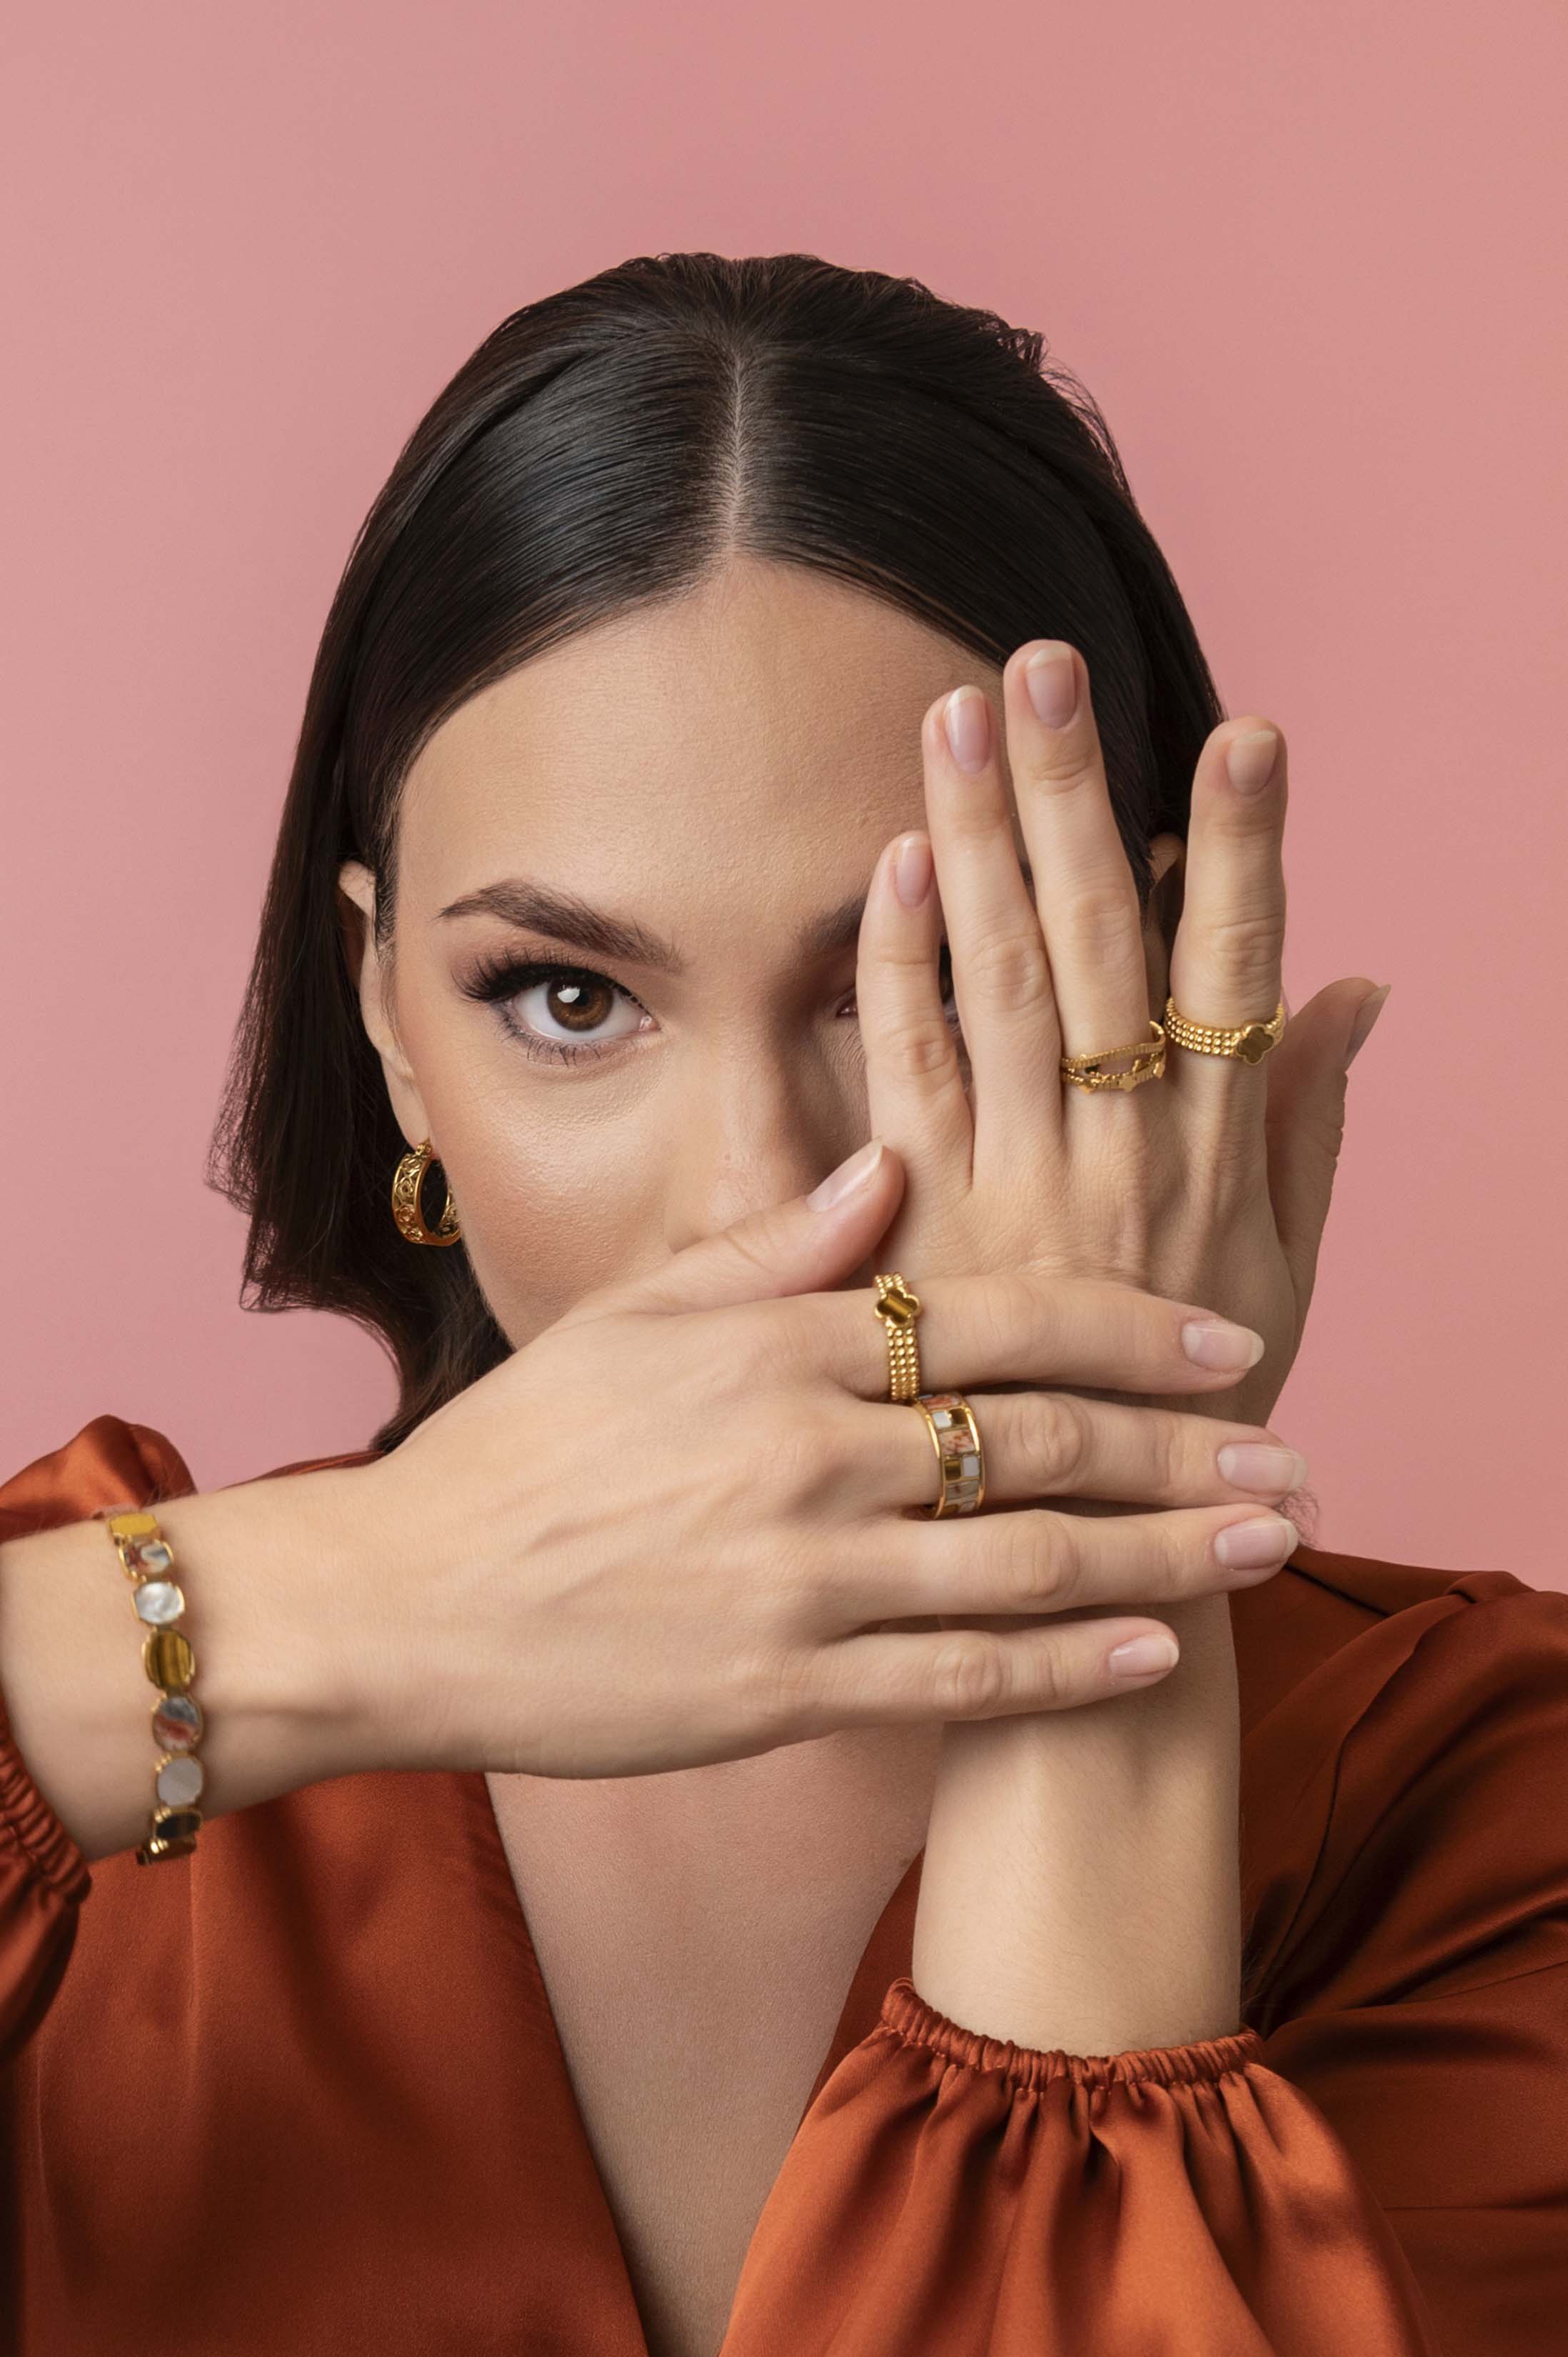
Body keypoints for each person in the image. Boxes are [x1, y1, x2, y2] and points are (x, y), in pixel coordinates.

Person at [0, 252, 1562, 2357]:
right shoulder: (92, 1733)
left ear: (1165, 999)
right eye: (567, 997)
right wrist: (312, 1612)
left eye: (894, 991)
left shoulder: (1484, 1812)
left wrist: (1089, 1669)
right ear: (384, 1016)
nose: (758, 1192)